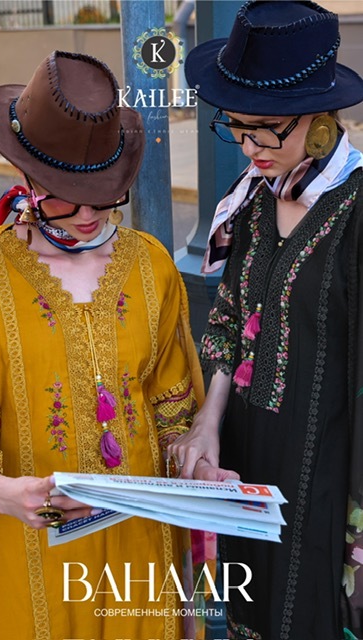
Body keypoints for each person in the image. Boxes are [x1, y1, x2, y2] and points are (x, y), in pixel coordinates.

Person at [0, 50, 207, 640]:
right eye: (66, 194)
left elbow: (172, 413)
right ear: (25, 175)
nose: (89, 213)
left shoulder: (151, 266)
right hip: (24, 550)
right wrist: (2, 493)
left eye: (105, 193)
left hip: (138, 549)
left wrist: (200, 462)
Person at [167, 2, 363, 639]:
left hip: (328, 477)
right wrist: (208, 419)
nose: (250, 147)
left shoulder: (356, 211)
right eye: (237, 127)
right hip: (246, 468)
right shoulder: (254, 203)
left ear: (321, 119)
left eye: (267, 130)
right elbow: (230, 319)